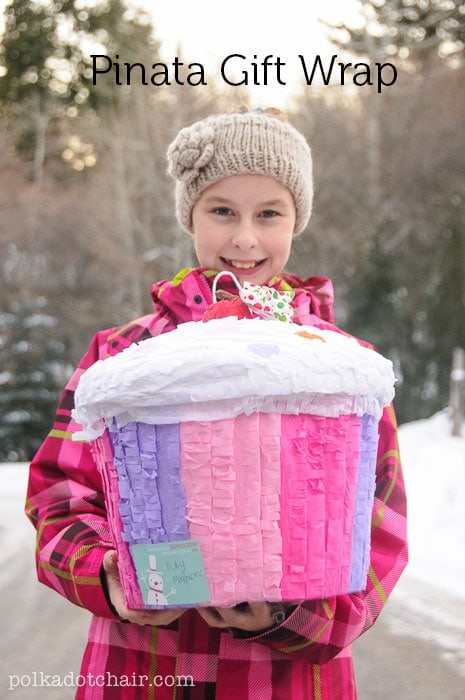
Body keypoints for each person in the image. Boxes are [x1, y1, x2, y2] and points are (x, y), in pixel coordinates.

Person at [26, 109, 408, 699]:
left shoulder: (341, 369)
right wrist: (105, 573)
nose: (245, 238)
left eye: (269, 214)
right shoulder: (123, 355)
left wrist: (297, 617)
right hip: (147, 668)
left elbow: (380, 527)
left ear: (296, 220)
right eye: (222, 210)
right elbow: (58, 495)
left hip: (285, 680)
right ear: (191, 216)